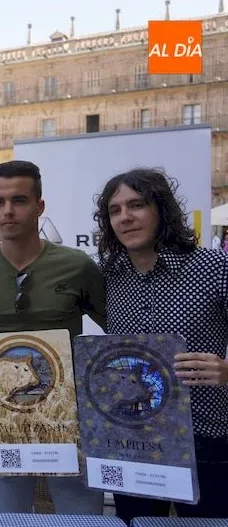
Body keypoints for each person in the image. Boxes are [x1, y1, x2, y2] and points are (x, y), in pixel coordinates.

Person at [0, 160, 107, 514]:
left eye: (20, 200)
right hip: (3, 419)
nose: (7, 211)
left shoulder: (78, 266)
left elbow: (117, 328)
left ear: (40, 206)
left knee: (80, 516)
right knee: (10, 517)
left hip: (69, 419)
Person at [94, 168, 228, 521]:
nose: (125, 217)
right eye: (115, 210)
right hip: (132, 441)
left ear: (162, 210)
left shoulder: (214, 267)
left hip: (204, 437)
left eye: (136, 204)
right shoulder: (108, 275)